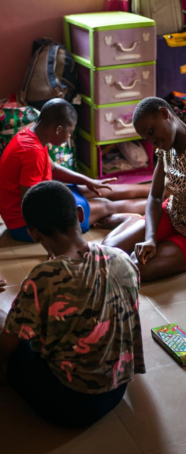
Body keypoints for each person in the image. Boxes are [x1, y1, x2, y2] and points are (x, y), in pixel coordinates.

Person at [0, 181, 145, 428]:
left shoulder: (43, 278)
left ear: (34, 233)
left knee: (6, 324)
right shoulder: (122, 258)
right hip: (117, 389)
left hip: (69, 404)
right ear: (79, 214)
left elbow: (5, 348)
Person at [102, 97, 186, 292]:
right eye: (147, 139)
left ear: (165, 114)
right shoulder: (165, 150)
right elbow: (156, 197)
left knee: (135, 267)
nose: (153, 142)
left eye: (151, 132)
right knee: (108, 249)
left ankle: (133, 222)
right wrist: (150, 238)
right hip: (170, 215)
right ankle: (137, 224)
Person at [0, 98, 151, 243]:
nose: (69, 136)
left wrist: (87, 180)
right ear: (58, 129)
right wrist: (54, 240)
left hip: (45, 200)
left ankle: (160, 190)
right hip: (24, 225)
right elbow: (29, 205)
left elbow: (53, 168)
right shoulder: (32, 152)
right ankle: (159, 204)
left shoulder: (29, 135)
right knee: (105, 204)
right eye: (70, 131)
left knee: (100, 189)